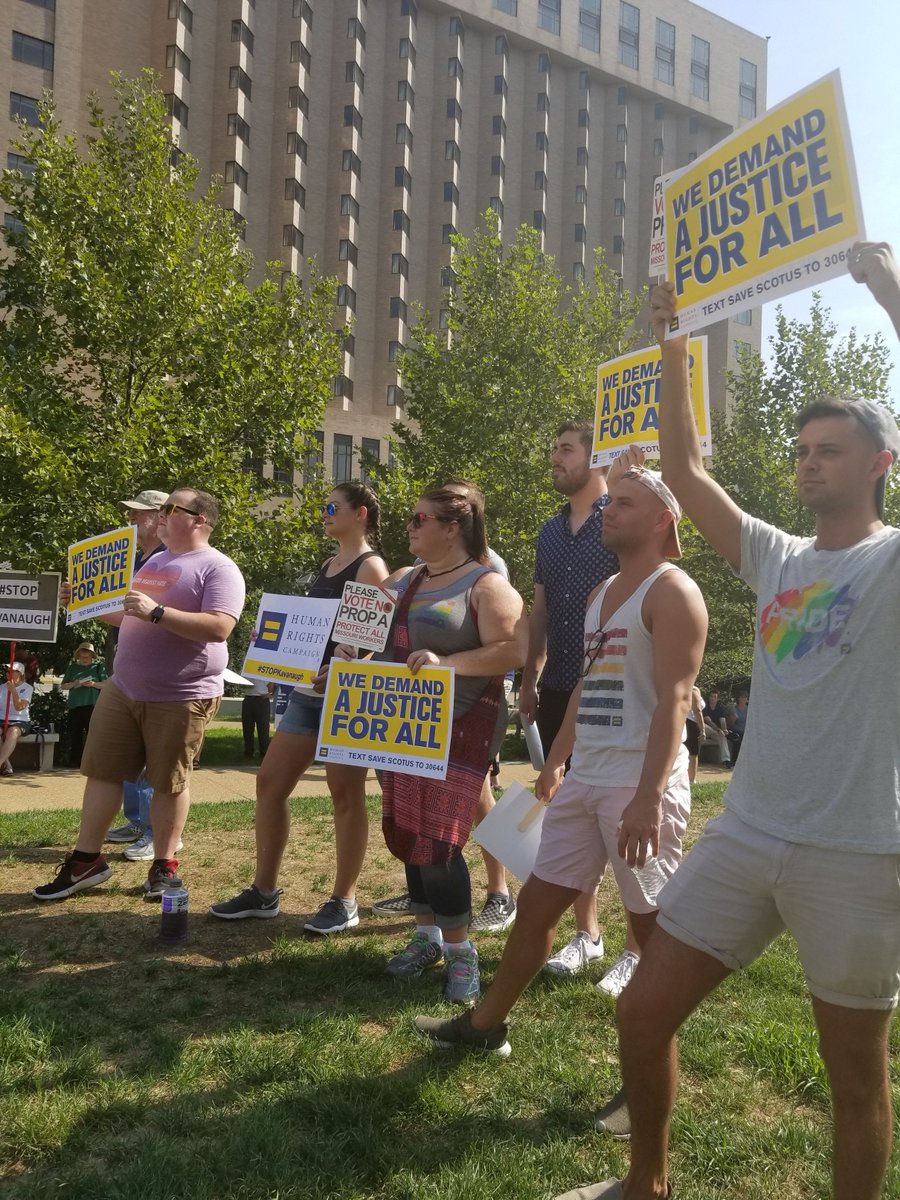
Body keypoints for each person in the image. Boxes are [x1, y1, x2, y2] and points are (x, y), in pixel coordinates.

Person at [553, 256, 900, 1200]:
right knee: (640, 1012)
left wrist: (888, 296)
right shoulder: (776, 556)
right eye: (802, 450)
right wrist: (674, 343)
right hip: (748, 833)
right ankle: (645, 1184)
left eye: (828, 448)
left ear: (880, 464)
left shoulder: (893, 563)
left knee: (854, 1078)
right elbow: (683, 469)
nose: (807, 461)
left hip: (860, 851)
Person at [413, 470, 706, 1087]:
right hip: (586, 779)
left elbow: (677, 699)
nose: (608, 511)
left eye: (624, 504)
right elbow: (585, 688)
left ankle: (647, 1083)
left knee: (652, 933)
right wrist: (554, 763)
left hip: (639, 786)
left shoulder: (673, 591)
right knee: (536, 909)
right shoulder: (601, 591)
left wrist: (649, 797)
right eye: (609, 501)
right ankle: (486, 1025)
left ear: (662, 521)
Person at [33, 488, 245, 901]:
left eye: (170, 508)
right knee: (103, 772)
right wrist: (87, 603)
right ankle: (86, 861)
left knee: (168, 782)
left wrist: (158, 612)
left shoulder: (219, 567)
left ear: (199, 519)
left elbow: (220, 626)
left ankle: (163, 867)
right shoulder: (155, 561)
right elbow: (127, 612)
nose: (161, 515)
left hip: (180, 694)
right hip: (123, 687)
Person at [209, 482, 389, 934]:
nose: (324, 513)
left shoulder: (371, 568)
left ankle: (344, 900)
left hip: (346, 696)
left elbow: (375, 640)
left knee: (345, 794)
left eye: (333, 507)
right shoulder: (328, 564)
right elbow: (309, 629)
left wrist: (349, 664)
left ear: (360, 513)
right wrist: (272, 646)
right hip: (308, 695)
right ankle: (263, 891)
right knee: (270, 783)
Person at [377, 487, 527, 1004]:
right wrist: (344, 669)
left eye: (421, 518)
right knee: (408, 832)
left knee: (438, 843)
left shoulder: (487, 585)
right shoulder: (403, 580)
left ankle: (463, 954)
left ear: (453, 526)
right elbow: (370, 641)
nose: (410, 526)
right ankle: (428, 937)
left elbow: (514, 648)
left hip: (459, 725)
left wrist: (450, 664)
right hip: (398, 723)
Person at [519, 420, 639, 993]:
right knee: (569, 811)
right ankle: (587, 935)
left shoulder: (621, 517)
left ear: (597, 459)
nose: (554, 458)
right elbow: (539, 610)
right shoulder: (548, 530)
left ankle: (637, 949)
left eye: (565, 449)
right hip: (561, 683)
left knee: (620, 811)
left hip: (615, 686)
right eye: (555, 447)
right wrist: (530, 675)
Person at [104, 488, 170, 856]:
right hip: (127, 657)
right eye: (131, 513)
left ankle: (155, 830)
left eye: (139, 514)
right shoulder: (134, 559)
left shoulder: (165, 559)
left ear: (161, 517)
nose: (131, 519)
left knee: (151, 754)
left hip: (155, 668)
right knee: (131, 748)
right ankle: (136, 820)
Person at [60, 642, 107, 768]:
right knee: (76, 734)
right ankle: (76, 760)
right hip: (75, 705)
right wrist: (74, 683)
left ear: (92, 656)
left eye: (88, 657)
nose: (85, 660)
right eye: (82, 657)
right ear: (78, 657)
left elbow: (107, 685)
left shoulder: (98, 667)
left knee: (93, 734)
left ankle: (94, 761)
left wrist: (93, 684)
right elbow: (63, 685)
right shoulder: (72, 668)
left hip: (92, 704)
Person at [0, 662, 33, 777]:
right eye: (7, 671)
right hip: (2, 719)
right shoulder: (1, 688)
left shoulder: (27, 688)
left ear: (20, 673)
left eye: (12, 671)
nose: (9, 673)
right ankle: (7, 764)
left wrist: (13, 690)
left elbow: (19, 707)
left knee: (12, 731)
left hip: (20, 720)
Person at [241, 677, 272, 760]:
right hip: (248, 698)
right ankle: (248, 752)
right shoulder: (247, 668)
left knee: (263, 728)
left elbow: (271, 683)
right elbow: (242, 683)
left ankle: (264, 753)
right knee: (247, 727)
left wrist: (270, 693)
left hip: (262, 698)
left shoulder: (265, 667)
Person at [701, 688, 732, 767]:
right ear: (709, 697)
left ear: (717, 698)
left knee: (722, 736)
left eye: (715, 697)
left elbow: (723, 721)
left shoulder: (720, 708)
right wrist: (718, 730)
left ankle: (727, 760)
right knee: (705, 726)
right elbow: (709, 721)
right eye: (711, 696)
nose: (713, 698)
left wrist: (724, 730)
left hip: (715, 732)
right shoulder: (705, 707)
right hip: (705, 730)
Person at [684, 685, 705, 785]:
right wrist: (703, 729)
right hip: (692, 723)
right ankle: (692, 780)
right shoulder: (693, 689)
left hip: (682, 722)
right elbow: (697, 710)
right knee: (693, 754)